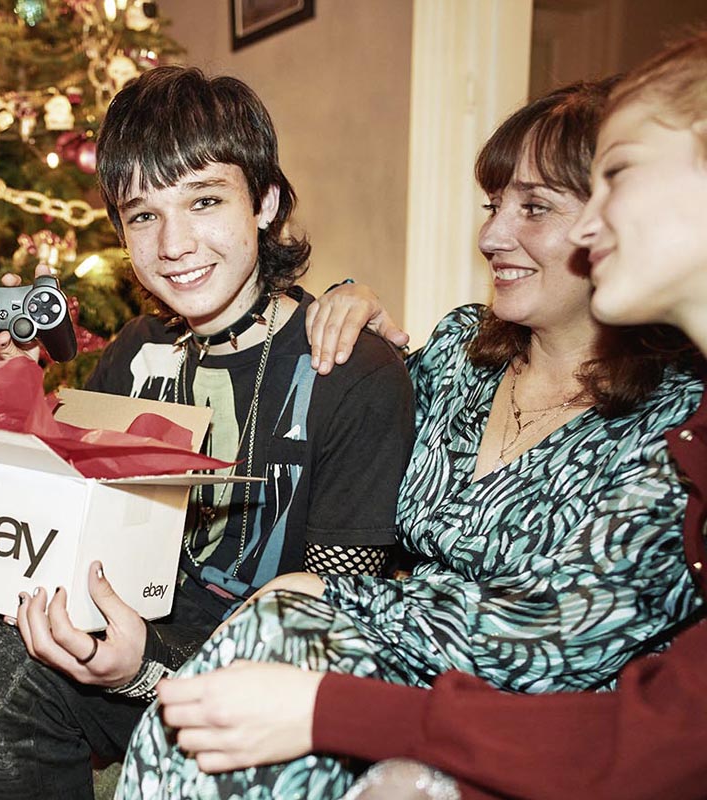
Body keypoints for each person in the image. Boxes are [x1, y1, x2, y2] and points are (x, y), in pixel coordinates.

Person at [114, 77, 704, 800]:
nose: (491, 236)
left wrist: (325, 595)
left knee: (279, 626)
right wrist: (342, 300)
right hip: (386, 661)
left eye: (535, 208)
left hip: (529, 719)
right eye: (493, 206)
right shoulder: (460, 351)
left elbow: (557, 638)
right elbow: (355, 405)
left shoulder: (675, 422)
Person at [0, 66, 415, 800]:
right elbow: (65, 499)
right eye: (143, 215)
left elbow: (338, 615)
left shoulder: (351, 369)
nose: (174, 243)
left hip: (243, 652)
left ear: (265, 203)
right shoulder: (139, 348)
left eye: (204, 201)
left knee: (7, 669)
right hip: (121, 596)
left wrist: (143, 666)